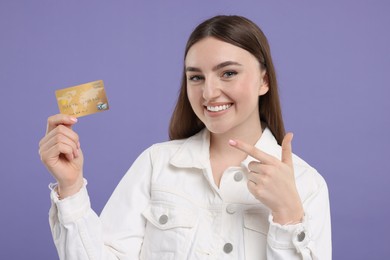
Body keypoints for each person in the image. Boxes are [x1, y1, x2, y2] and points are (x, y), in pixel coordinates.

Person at [39, 15, 331, 259]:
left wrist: (288, 216)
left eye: (228, 73)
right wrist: (71, 187)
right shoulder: (157, 163)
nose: (209, 92)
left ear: (264, 80)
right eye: (196, 77)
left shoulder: (306, 184)